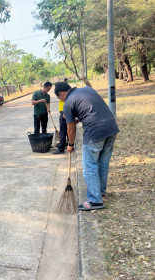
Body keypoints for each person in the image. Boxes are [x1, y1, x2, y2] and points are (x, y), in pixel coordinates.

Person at [54, 82, 119, 211]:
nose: (61, 100)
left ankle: (95, 201)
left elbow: (71, 129)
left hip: (95, 132)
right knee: (102, 163)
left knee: (89, 166)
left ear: (61, 94)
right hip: (111, 128)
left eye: (59, 98)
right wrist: (78, 119)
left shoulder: (68, 102)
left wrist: (70, 145)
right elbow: (91, 111)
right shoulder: (87, 90)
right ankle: (100, 191)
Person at [53, 79, 69, 154]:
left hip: (64, 112)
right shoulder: (67, 93)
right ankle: (68, 145)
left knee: (63, 131)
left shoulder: (66, 96)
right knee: (66, 130)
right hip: (63, 111)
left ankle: (61, 148)